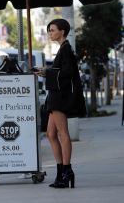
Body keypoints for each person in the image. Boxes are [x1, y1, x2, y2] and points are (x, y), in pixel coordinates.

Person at [34, 18, 86, 188]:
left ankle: (66, 170)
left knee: (62, 133)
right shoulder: (63, 49)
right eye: (49, 30)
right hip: (55, 96)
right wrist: (47, 72)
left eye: (53, 30)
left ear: (62, 31)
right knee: (50, 134)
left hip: (60, 97)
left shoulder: (66, 50)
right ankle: (60, 172)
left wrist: (48, 72)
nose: (50, 33)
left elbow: (68, 72)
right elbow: (61, 72)